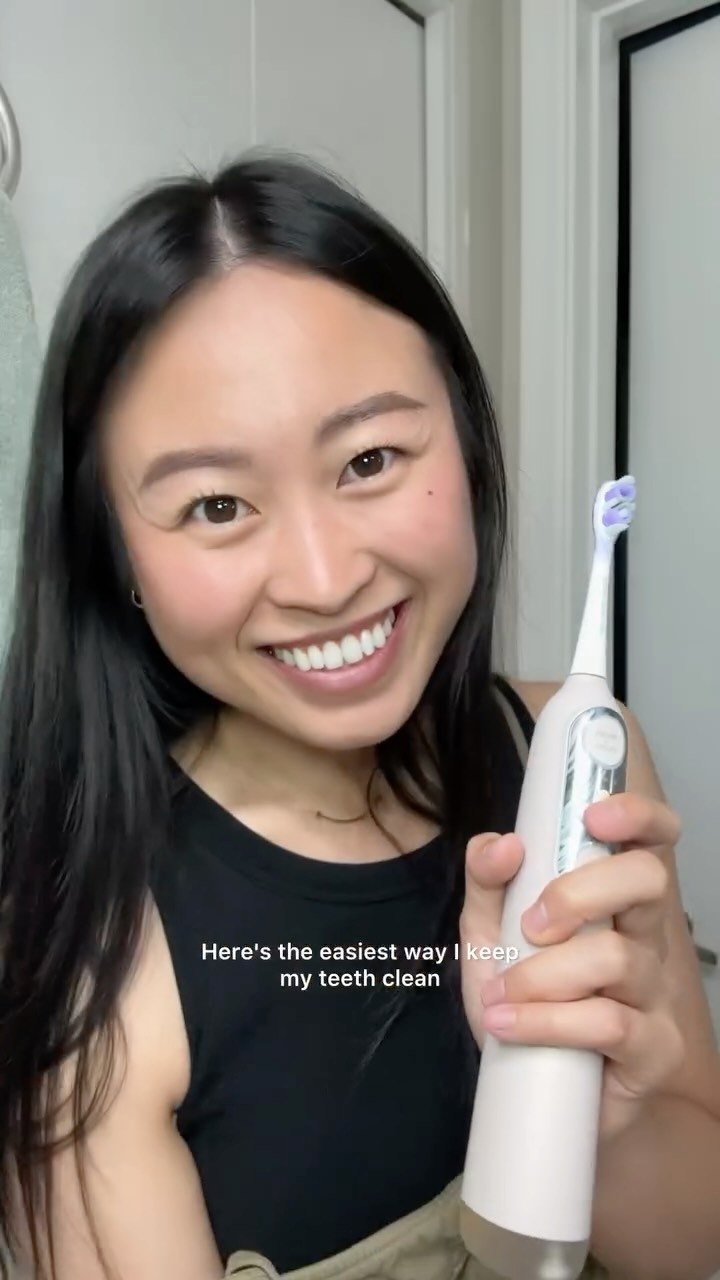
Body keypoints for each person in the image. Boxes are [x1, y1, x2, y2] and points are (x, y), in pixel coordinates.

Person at [0, 152, 718, 1280]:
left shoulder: (581, 762)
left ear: (466, 440)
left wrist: (613, 1123)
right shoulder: (92, 960)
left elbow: (693, 1242)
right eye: (217, 505)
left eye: (371, 458)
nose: (326, 577)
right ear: (117, 556)